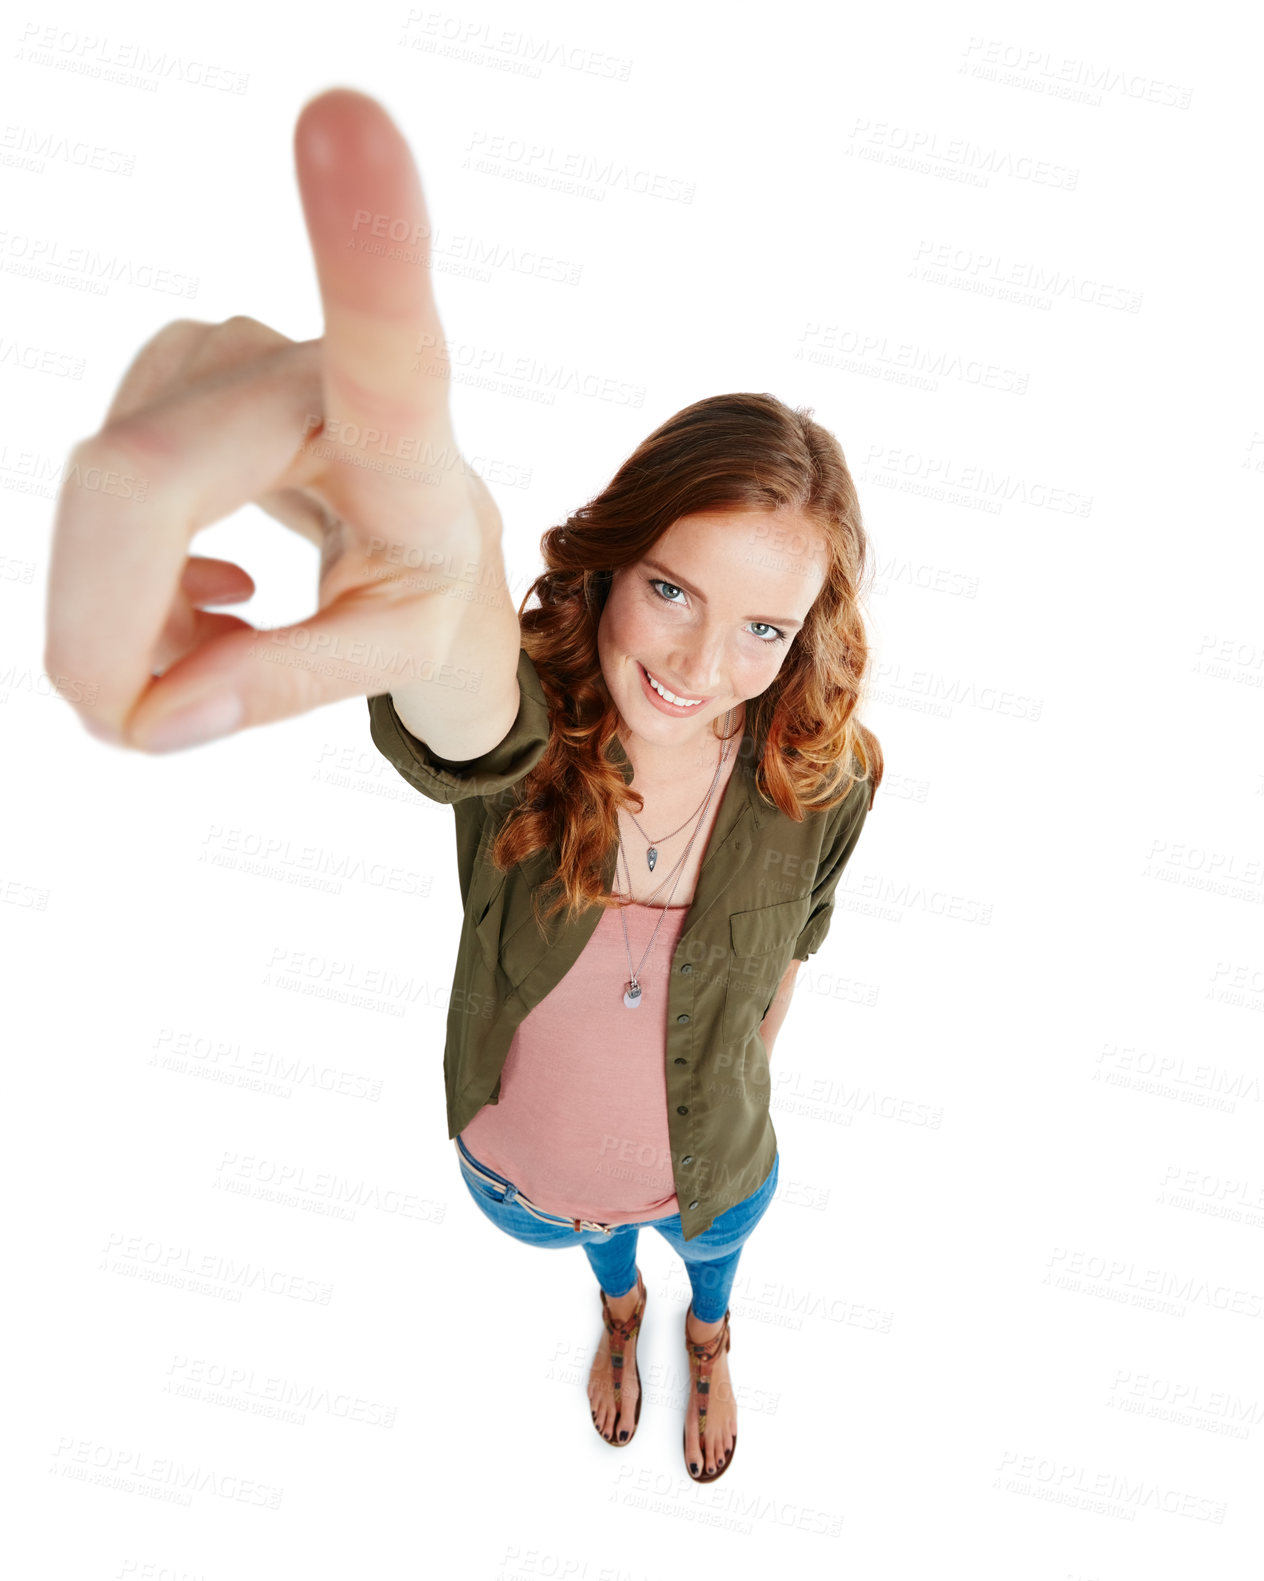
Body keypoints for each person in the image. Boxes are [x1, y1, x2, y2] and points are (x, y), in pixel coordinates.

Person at [43, 88, 882, 1482]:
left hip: (716, 1155)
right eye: (672, 586)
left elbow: (798, 938)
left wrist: (730, 1073)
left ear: (806, 636)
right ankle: (621, 1309)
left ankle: (710, 1336)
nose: (699, 657)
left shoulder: (823, 778)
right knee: (611, 1245)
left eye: (762, 626)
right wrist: (437, 577)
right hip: (532, 1163)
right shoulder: (537, 725)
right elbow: (466, 713)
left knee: (713, 1253)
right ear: (613, 559)